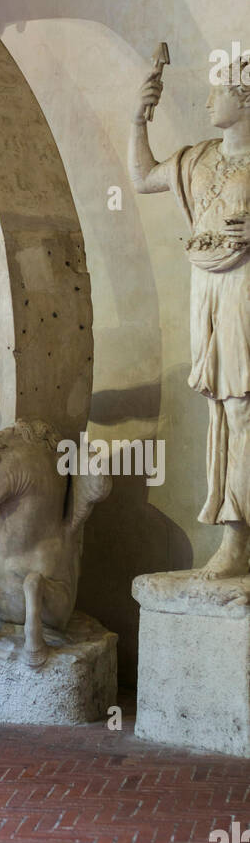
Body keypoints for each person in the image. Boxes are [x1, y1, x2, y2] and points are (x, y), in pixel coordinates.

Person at [130, 54, 250, 578]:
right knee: (223, 412)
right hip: (209, 291)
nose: (207, 100)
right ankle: (233, 535)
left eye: (217, 90)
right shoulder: (198, 158)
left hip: (246, 290)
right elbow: (141, 177)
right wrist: (138, 119)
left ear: (244, 98)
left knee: (242, 409)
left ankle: (236, 539)